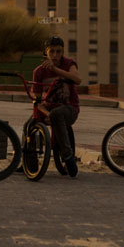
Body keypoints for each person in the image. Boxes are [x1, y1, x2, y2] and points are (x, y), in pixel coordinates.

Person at [32, 35, 82, 177]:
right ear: (46, 52)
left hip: (69, 108)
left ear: (63, 52)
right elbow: (37, 100)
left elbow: (78, 79)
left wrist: (55, 70)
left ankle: (68, 156)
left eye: (58, 51)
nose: (55, 55)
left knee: (57, 114)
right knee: (29, 124)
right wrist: (46, 114)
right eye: (52, 51)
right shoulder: (39, 72)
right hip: (48, 109)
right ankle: (29, 161)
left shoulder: (69, 63)